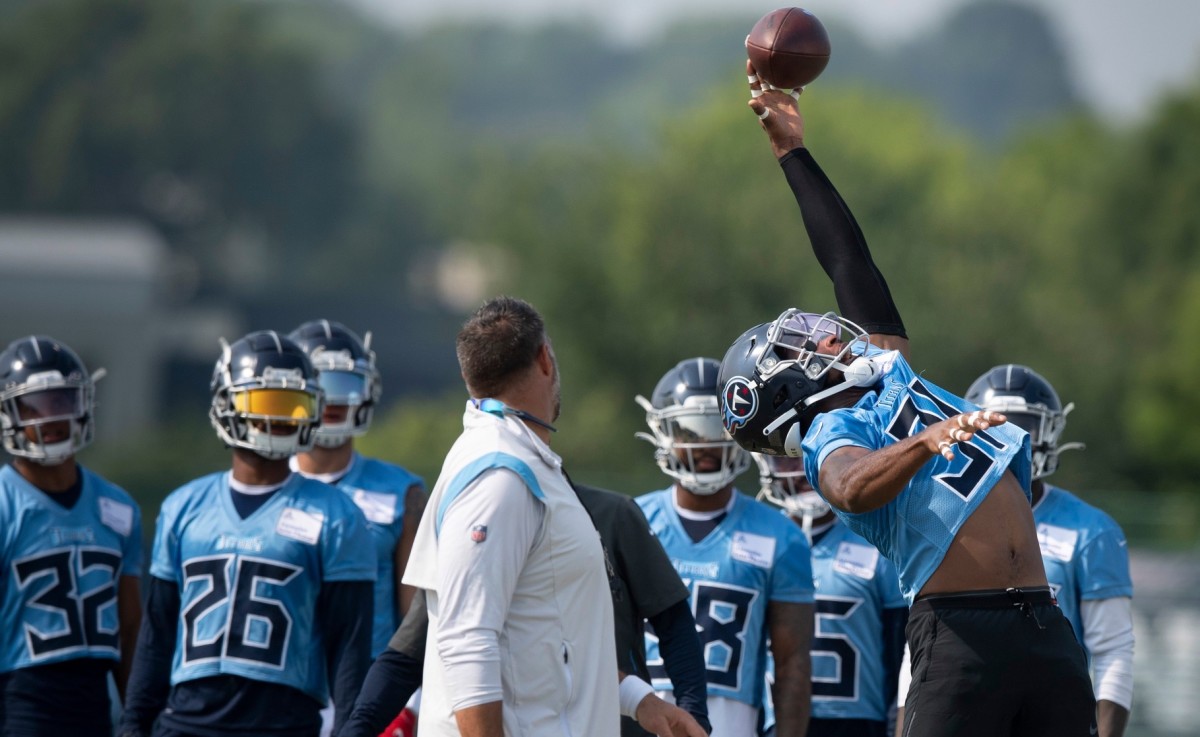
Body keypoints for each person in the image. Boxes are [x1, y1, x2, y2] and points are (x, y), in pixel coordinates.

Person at [714, 67, 1096, 737]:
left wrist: (791, 151)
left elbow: (848, 260)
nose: (822, 330)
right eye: (798, 341)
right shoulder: (832, 430)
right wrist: (924, 440)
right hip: (961, 636)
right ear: (786, 384)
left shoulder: (885, 373)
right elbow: (851, 486)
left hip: (1043, 621)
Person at [400, 296, 706, 737]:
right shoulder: (499, 474)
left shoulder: (521, 460)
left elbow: (545, 642)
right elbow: (466, 640)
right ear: (545, 359)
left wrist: (638, 700)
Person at [117, 330, 376, 737]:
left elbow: (350, 650)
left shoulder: (338, 515)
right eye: (264, 403)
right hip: (185, 721)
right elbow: (157, 635)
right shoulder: (184, 506)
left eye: (291, 405)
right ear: (227, 404)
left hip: (282, 723)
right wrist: (133, 724)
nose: (277, 418)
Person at [337, 479, 712, 737]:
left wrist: (693, 718)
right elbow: (404, 658)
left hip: (613, 724)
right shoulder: (463, 526)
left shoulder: (609, 515)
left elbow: (672, 622)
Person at [635, 357, 814, 737]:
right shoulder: (632, 521)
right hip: (640, 716)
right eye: (690, 430)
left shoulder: (779, 536)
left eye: (717, 427)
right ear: (664, 433)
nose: (705, 444)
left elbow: (792, 664)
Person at [964, 364, 1134, 737]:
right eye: (998, 426)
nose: (1013, 440)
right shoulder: (949, 520)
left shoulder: (1090, 530)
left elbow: (1113, 650)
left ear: (1050, 431)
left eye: (1025, 426)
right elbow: (923, 645)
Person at [288, 320, 427, 735]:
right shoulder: (266, 486)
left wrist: (411, 698)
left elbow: (415, 616)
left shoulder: (402, 492)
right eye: (320, 383)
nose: (332, 398)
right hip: (281, 681)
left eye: (344, 383)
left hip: (368, 685)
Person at [0, 335, 143, 736]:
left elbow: (129, 627)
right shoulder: (5, 503)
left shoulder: (117, 506)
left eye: (62, 402)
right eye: (35, 406)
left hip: (94, 700)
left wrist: (139, 716)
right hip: (21, 699)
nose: (51, 418)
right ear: (9, 414)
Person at [755, 455, 907, 737]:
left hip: (858, 723)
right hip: (770, 718)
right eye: (784, 459)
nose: (799, 470)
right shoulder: (760, 536)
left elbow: (902, 654)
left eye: (805, 455)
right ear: (765, 464)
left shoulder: (879, 538)